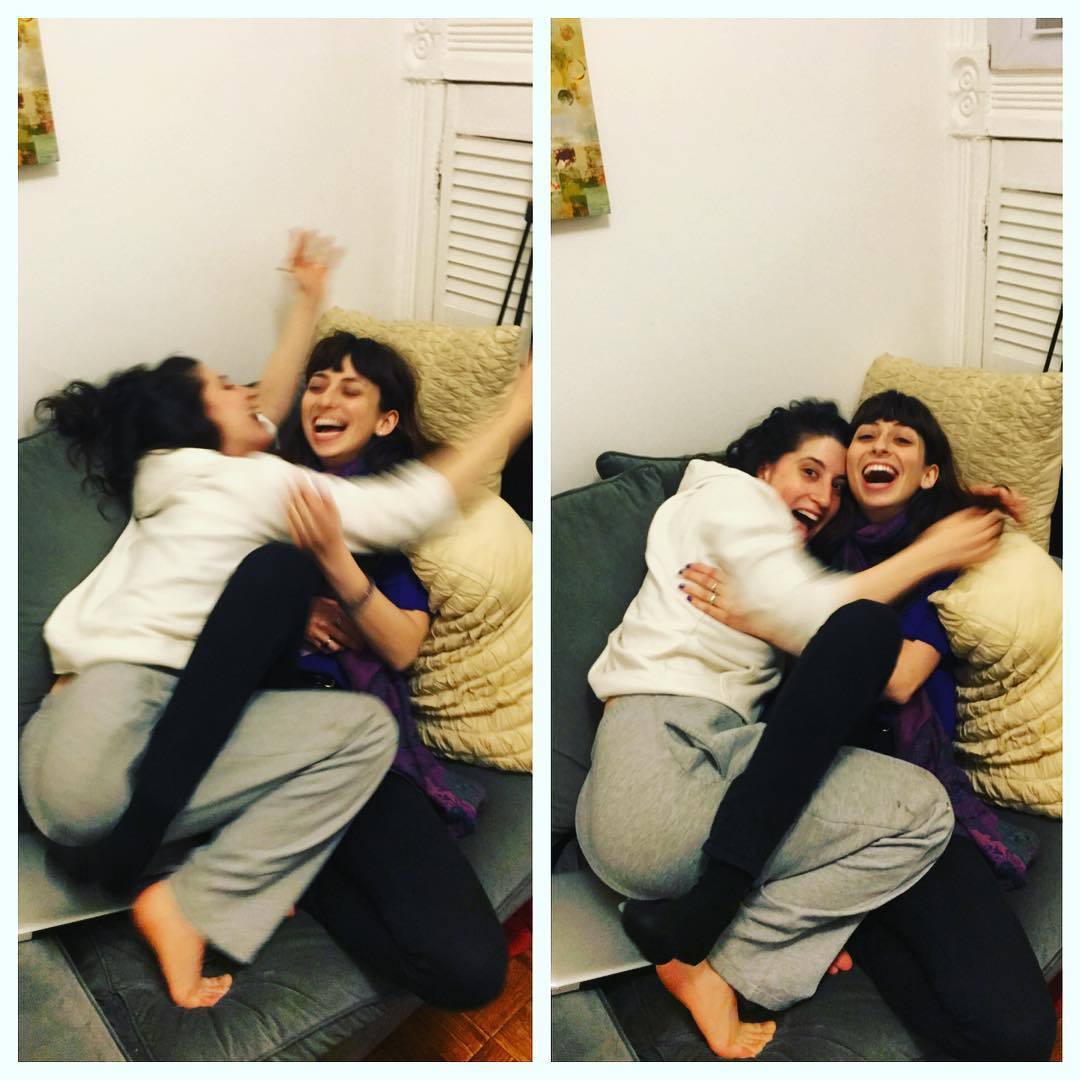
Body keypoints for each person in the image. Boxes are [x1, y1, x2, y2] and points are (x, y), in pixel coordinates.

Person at [19, 233, 532, 1009]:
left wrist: (307, 302)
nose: (279, 396)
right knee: (289, 589)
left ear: (388, 419)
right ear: (200, 424)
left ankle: (224, 876)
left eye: (352, 391)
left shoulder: (180, 480)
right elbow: (399, 496)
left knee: (372, 748)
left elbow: (399, 628)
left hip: (87, 746)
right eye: (232, 388)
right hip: (121, 740)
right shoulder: (248, 482)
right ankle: (180, 893)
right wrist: (521, 406)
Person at [574, 399, 1004, 1059]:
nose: (824, 497)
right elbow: (820, 615)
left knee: (916, 817)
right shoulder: (732, 500)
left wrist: (963, 504)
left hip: (701, 769)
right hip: (660, 771)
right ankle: (718, 958)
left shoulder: (804, 547)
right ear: (763, 468)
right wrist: (932, 551)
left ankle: (728, 930)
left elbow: (832, 619)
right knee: (920, 803)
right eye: (809, 472)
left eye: (835, 486)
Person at [670, 390, 1055, 1060]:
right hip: (806, 783)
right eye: (868, 435)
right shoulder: (816, 540)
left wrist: (757, 618)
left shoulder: (939, 562)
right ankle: (822, 918)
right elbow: (744, 485)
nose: (880, 444)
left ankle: (854, 923)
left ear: (929, 473)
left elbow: (900, 676)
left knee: (1019, 1035)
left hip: (910, 790)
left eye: (902, 439)